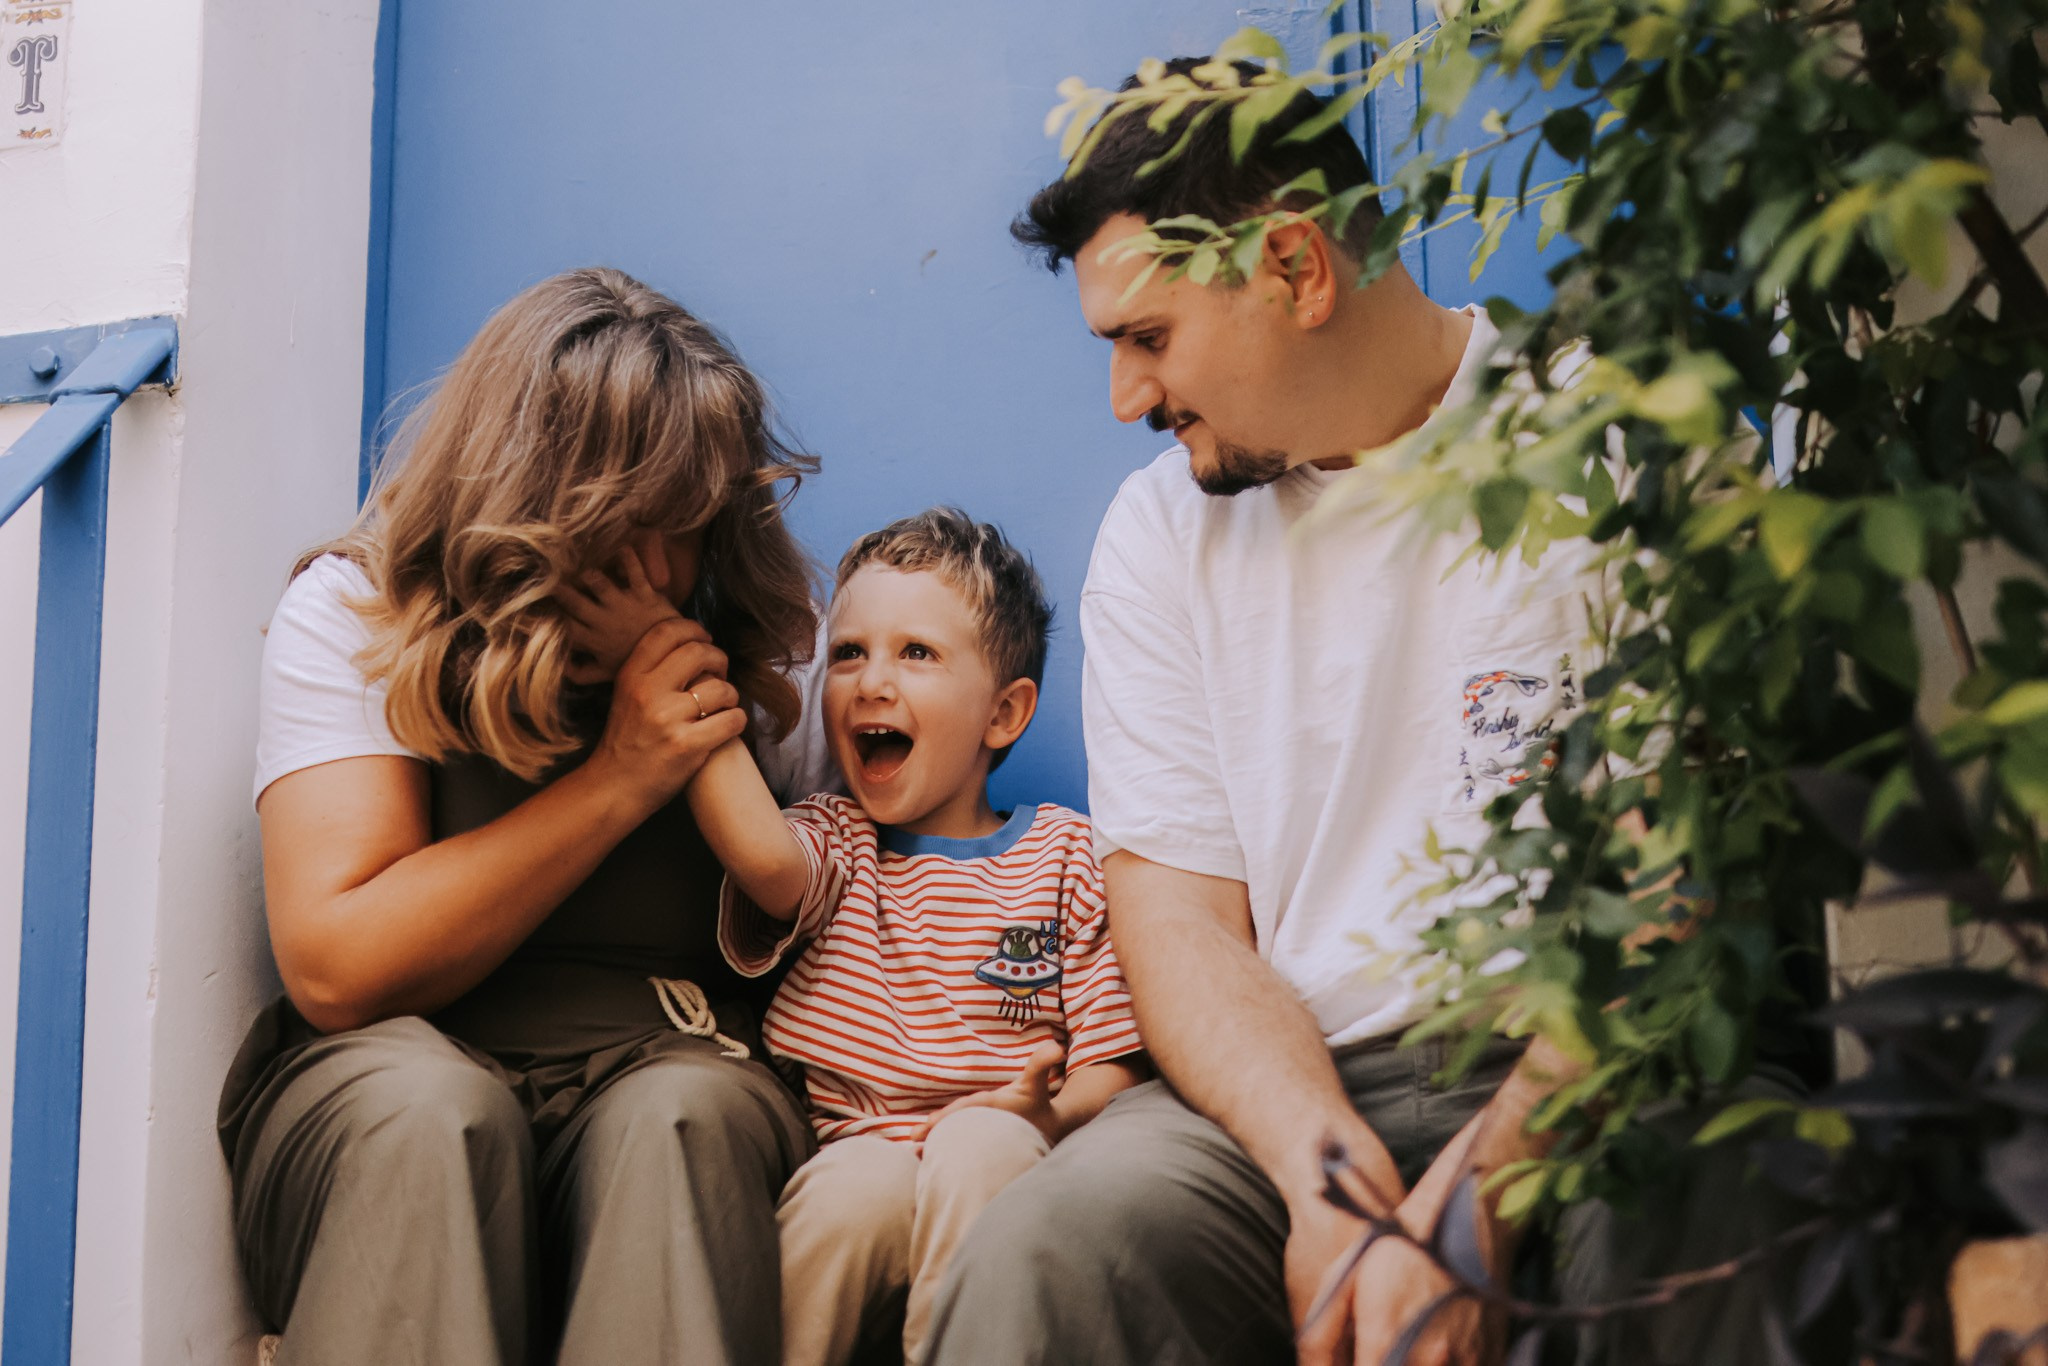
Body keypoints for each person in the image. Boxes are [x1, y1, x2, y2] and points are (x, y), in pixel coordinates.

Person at [922, 60, 1797, 1366]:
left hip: (1590, 1066)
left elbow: (1665, 902)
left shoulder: (1615, 457)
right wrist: (1329, 1181)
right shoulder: (1159, 537)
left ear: (1295, 268)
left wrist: (1484, 1197)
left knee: (1707, 1185)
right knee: (1055, 1244)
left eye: (1147, 337)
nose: (1127, 400)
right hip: (1290, 1088)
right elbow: (1179, 926)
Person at [217, 267, 833, 1366]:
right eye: (618, 527)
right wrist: (620, 777)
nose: (655, 569)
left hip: (661, 1063)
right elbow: (335, 965)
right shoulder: (360, 611)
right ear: (524, 501)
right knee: (429, 1117)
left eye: (683, 527)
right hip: (391, 1076)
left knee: (687, 1121)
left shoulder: (764, 643)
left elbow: (824, 916)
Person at [557, 507, 1148, 1366]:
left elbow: (1112, 1063)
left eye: (916, 653)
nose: (871, 681)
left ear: (1004, 713)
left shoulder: (1064, 856)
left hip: (1011, 1140)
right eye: (848, 652)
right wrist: (663, 652)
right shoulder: (835, 838)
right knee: (847, 1203)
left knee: (981, 1147)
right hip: (855, 1147)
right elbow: (762, 859)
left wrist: (1051, 1115)